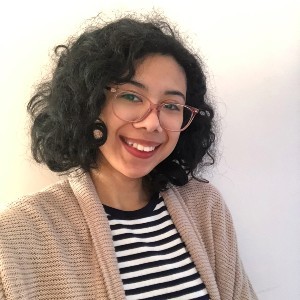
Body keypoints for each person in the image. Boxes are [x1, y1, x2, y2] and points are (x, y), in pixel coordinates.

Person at [0, 13, 258, 300]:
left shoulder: (205, 208)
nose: (152, 123)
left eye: (172, 105)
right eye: (131, 96)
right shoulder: (16, 235)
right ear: (90, 102)